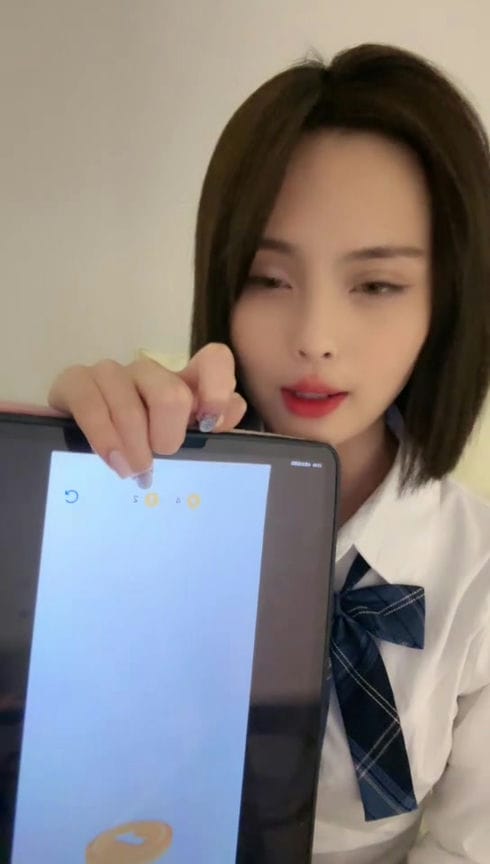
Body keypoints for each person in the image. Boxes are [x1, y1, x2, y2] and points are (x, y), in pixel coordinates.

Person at [40, 43, 490, 862]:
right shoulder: (150, 488)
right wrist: (74, 473)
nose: (315, 338)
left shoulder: (477, 572)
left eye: (376, 285)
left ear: (446, 303)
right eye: (268, 278)